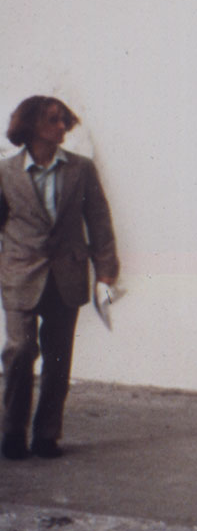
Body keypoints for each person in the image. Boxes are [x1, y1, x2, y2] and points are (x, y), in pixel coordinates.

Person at [0, 96, 119, 460]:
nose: (63, 127)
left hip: (67, 275)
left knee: (57, 359)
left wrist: (106, 273)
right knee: (20, 352)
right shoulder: (5, 173)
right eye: (54, 120)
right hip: (20, 275)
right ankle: (12, 432)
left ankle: (47, 435)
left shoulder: (81, 169)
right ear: (32, 125)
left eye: (65, 120)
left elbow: (99, 222)